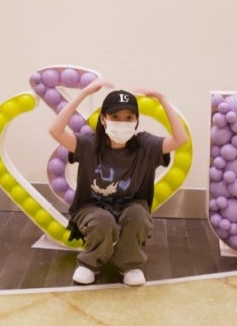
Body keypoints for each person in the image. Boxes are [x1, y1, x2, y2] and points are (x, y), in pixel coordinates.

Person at [48, 79, 188, 286]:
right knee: (102, 220)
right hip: (92, 207)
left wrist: (162, 98)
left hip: (131, 206)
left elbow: (180, 139)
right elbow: (56, 130)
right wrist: (84, 93)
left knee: (138, 215)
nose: (122, 122)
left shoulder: (145, 145)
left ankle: (130, 264)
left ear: (136, 120)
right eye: (115, 117)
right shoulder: (88, 144)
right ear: (103, 119)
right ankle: (90, 264)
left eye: (128, 117)